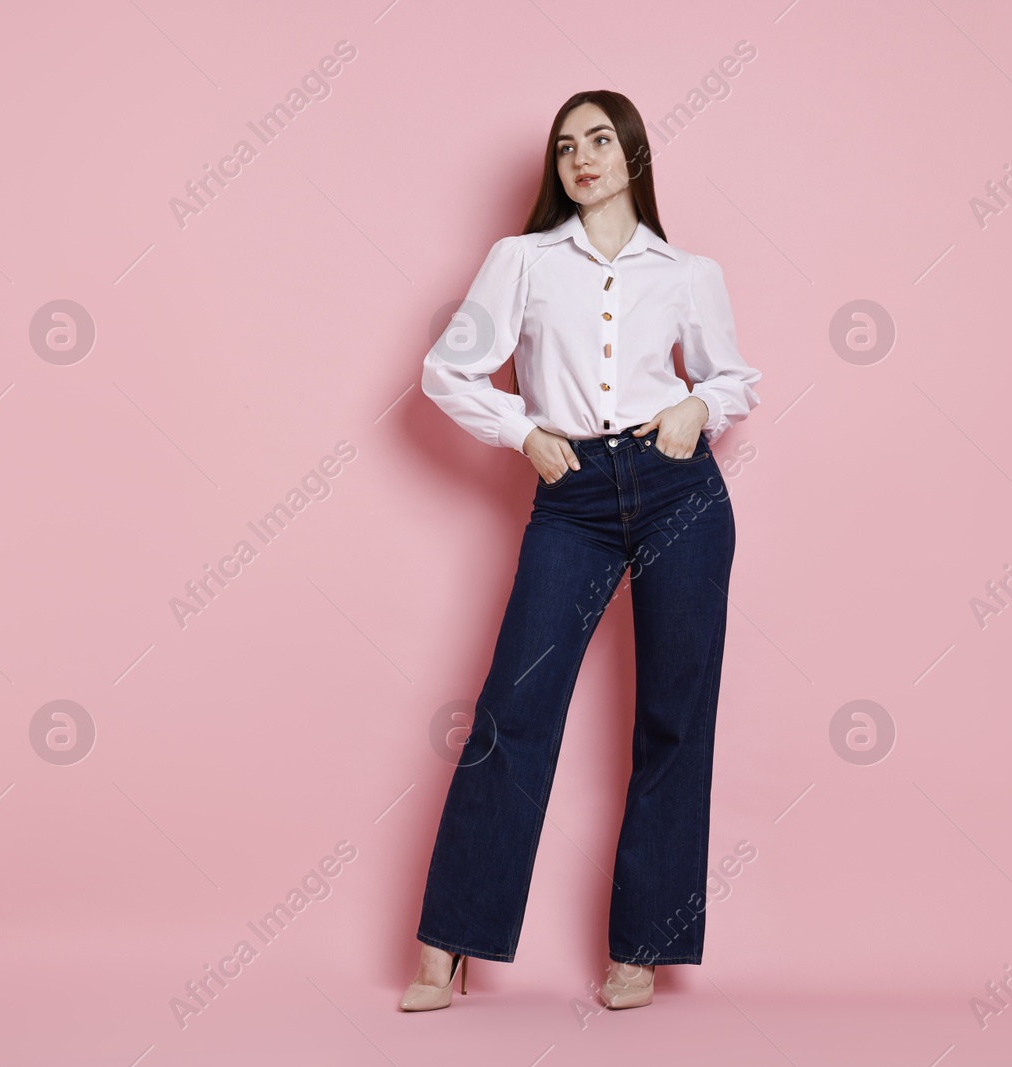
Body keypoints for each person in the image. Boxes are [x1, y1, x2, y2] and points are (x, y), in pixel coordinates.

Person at [399, 90, 762, 1013]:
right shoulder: (520, 261)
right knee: (514, 707)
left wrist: (697, 407)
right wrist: (522, 432)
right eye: (567, 147)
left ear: (634, 155)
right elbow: (447, 368)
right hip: (575, 496)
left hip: (680, 488)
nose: (582, 158)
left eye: (600, 141)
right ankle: (451, 941)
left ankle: (643, 944)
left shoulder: (688, 272)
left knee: (675, 717)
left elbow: (733, 378)